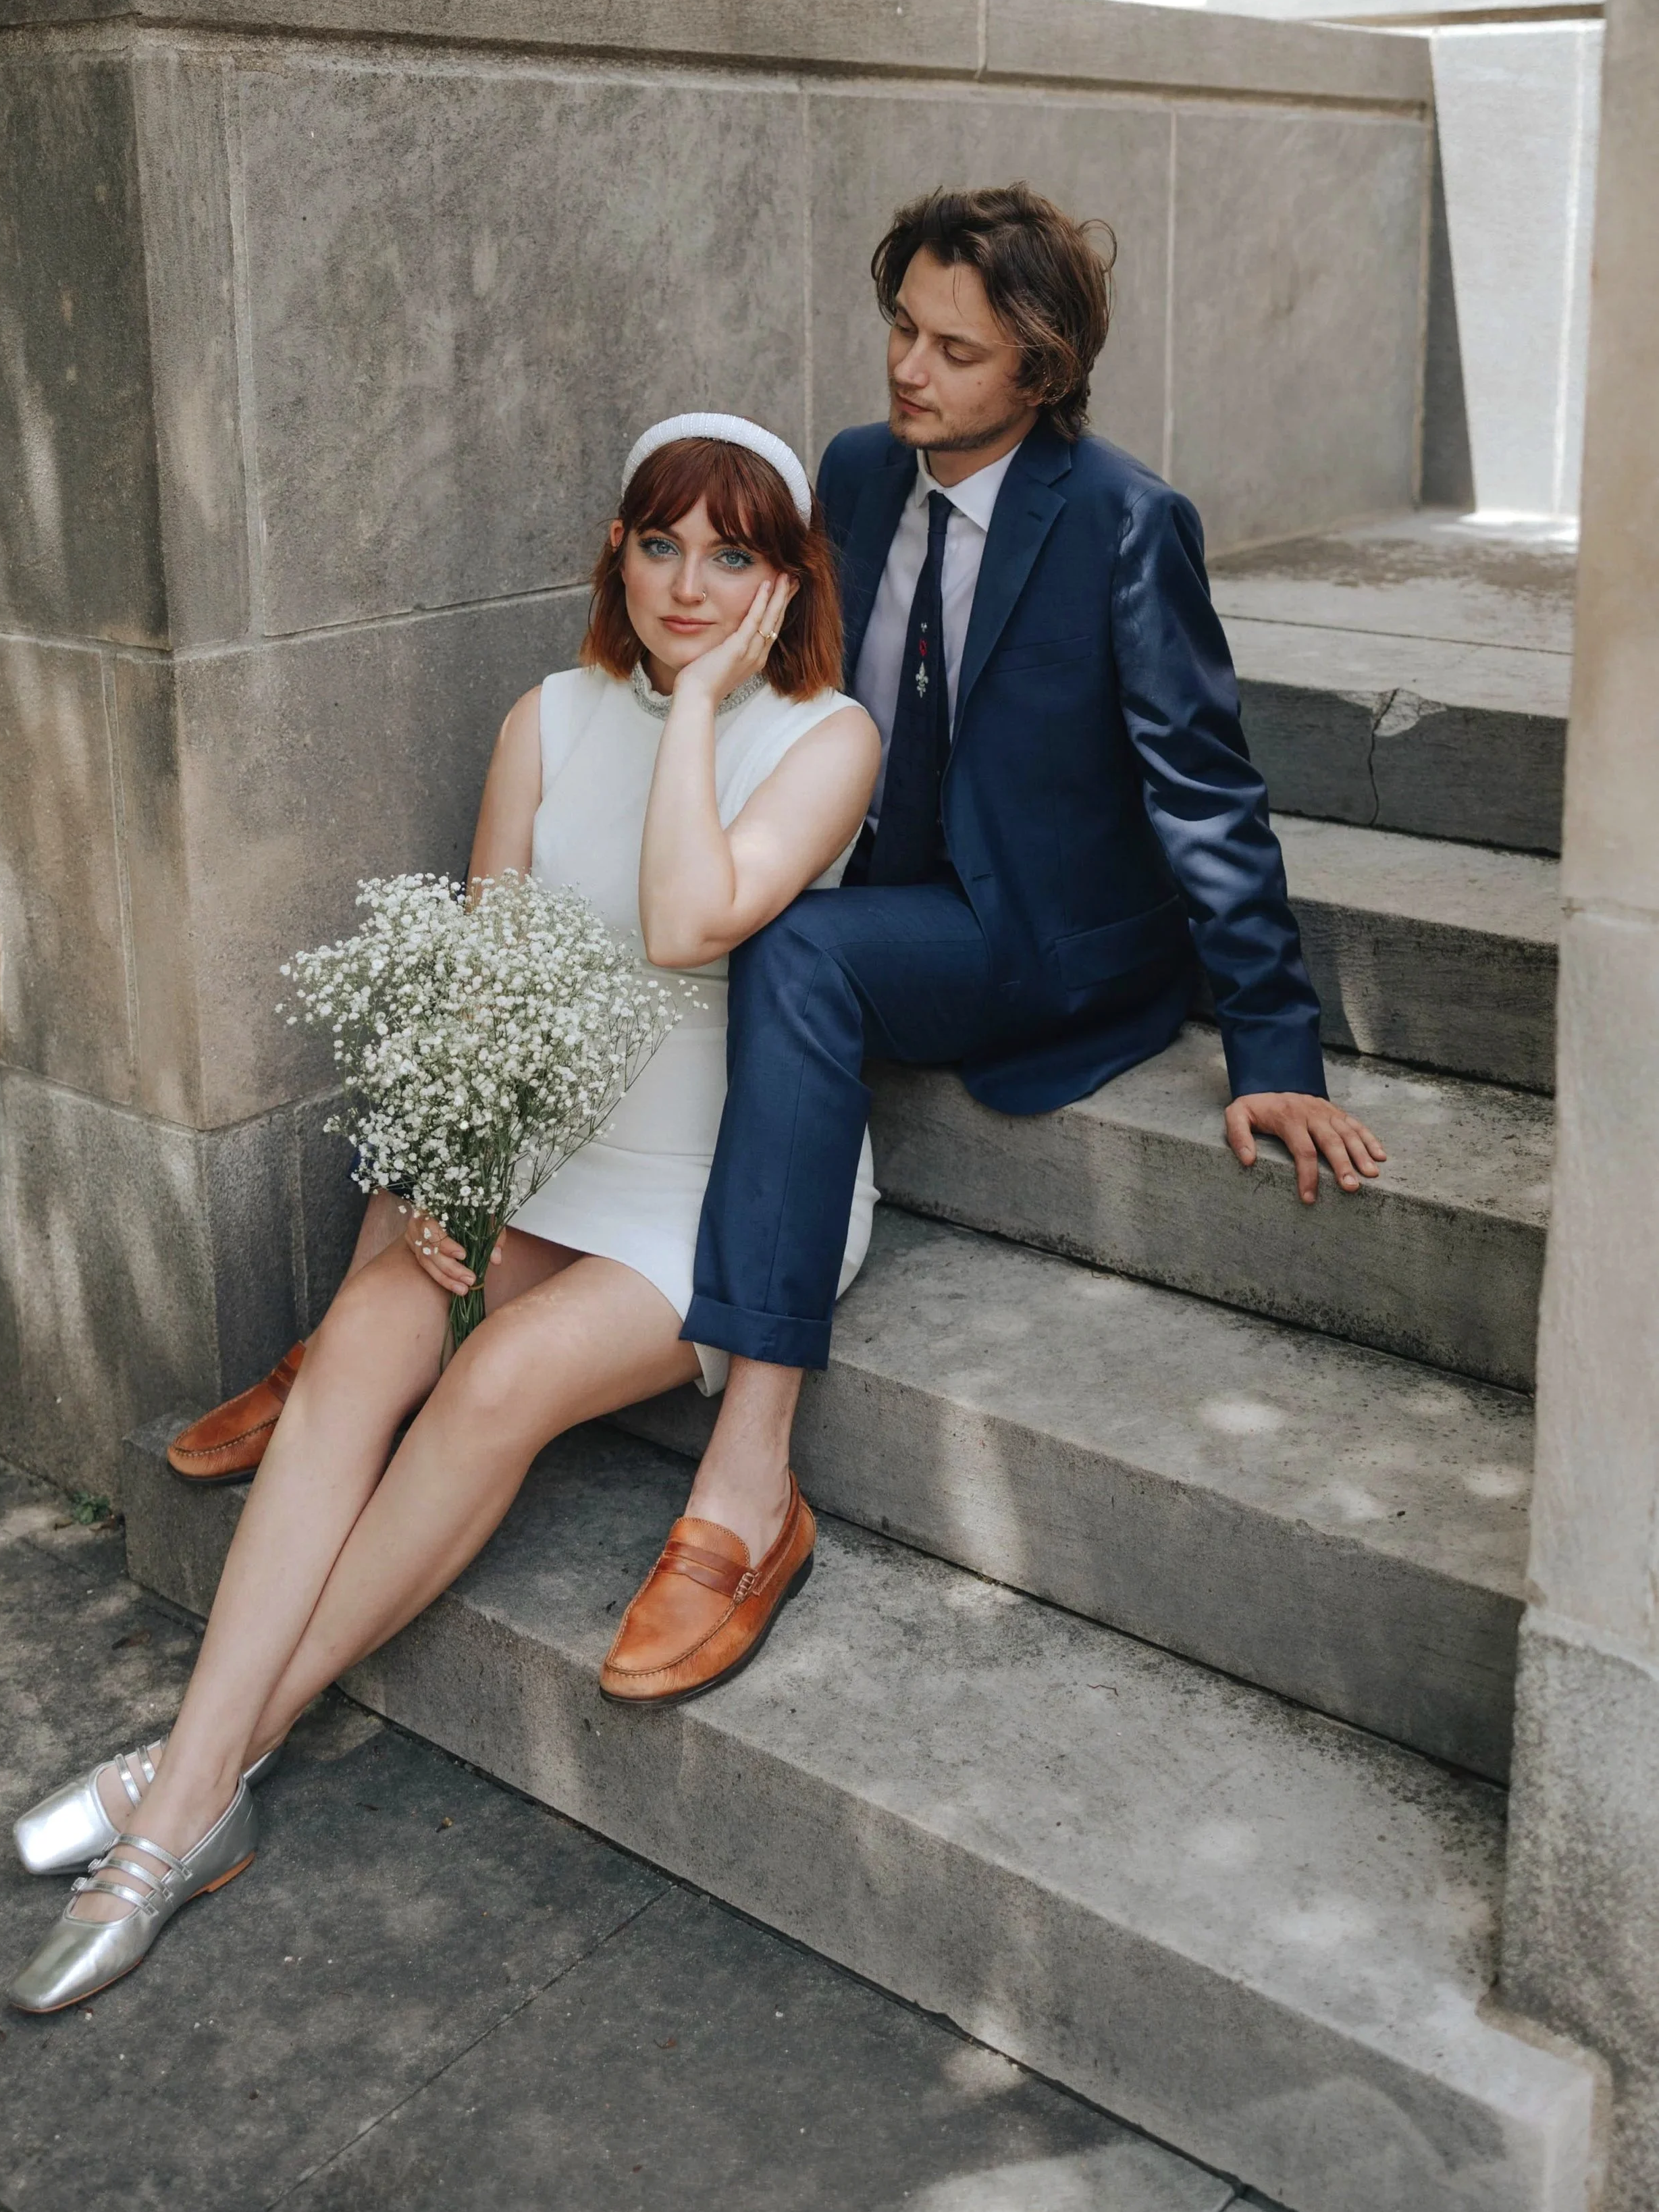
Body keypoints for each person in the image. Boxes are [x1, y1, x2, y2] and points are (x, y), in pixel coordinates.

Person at [174, 181, 1386, 1681]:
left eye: (952, 348)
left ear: (1039, 375)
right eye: (899, 326)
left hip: (1022, 927)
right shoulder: (858, 470)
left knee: (778, 947)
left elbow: (1204, 786)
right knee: (577, 913)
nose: (906, 368)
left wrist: (1274, 1042)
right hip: (845, 857)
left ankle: (749, 1469)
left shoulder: (1127, 525)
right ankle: (364, 1341)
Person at [6, 415, 881, 2014]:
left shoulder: (827, 737)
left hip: (718, 1190)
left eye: (731, 554)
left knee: (492, 1378)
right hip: (548, 1156)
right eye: (657, 542)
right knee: (360, 1344)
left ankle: (185, 1790)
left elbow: (690, 924)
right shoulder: (542, 716)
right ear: (614, 550)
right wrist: (452, 1175)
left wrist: (694, 704)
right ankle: (199, 1777)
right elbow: (485, 982)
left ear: (783, 578)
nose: (687, 582)